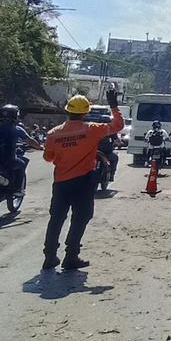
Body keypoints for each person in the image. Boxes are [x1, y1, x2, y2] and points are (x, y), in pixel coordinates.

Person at [42, 88, 123, 271]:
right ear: (86, 112)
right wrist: (114, 106)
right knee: (80, 218)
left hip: (61, 182)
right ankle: (71, 256)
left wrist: (65, 156)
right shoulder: (92, 130)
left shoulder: (53, 133)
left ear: (68, 111)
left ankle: (49, 256)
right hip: (84, 182)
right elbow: (117, 125)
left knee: (56, 218)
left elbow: (48, 158)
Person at [0, 106, 43, 194]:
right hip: (7, 160)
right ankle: (18, 189)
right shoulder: (16, 129)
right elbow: (30, 141)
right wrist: (40, 147)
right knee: (22, 164)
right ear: (15, 116)